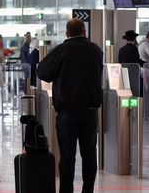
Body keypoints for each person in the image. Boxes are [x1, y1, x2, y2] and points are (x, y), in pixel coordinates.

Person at [37, 18, 103, 193]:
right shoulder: (96, 50)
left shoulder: (62, 50)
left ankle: (66, 190)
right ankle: (88, 190)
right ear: (84, 32)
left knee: (67, 156)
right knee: (89, 155)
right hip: (90, 111)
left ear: (66, 34)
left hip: (68, 112)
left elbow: (42, 72)